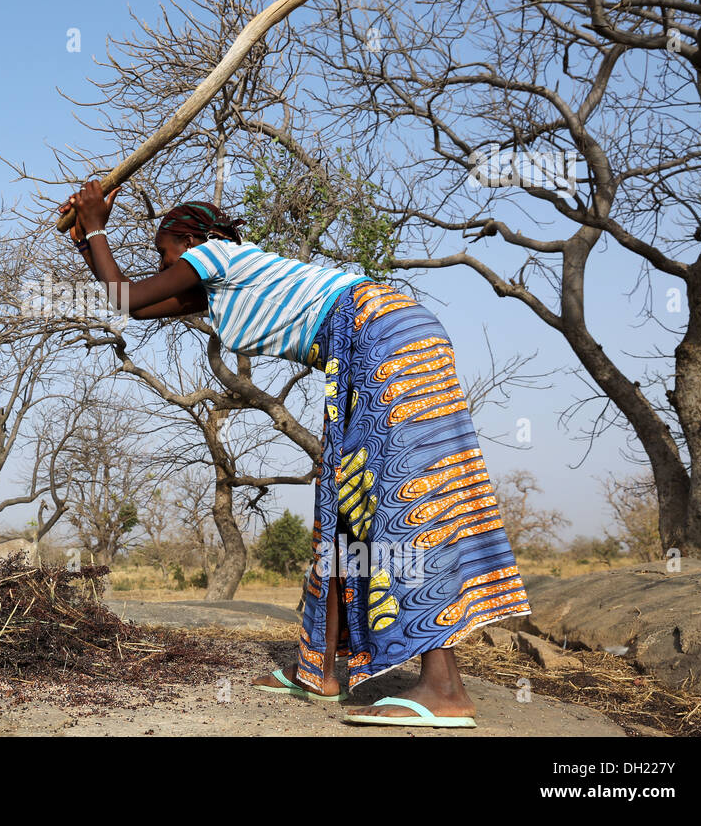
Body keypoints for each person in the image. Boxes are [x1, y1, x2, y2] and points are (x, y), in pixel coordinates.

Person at [64, 181, 530, 728]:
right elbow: (135, 306)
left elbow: (128, 295)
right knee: (343, 504)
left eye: (166, 254)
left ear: (193, 241)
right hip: (367, 340)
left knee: (405, 495)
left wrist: (97, 223)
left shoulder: (216, 254)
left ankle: (444, 689)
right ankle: (320, 670)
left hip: (380, 331)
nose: (165, 266)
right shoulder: (222, 287)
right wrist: (85, 240)